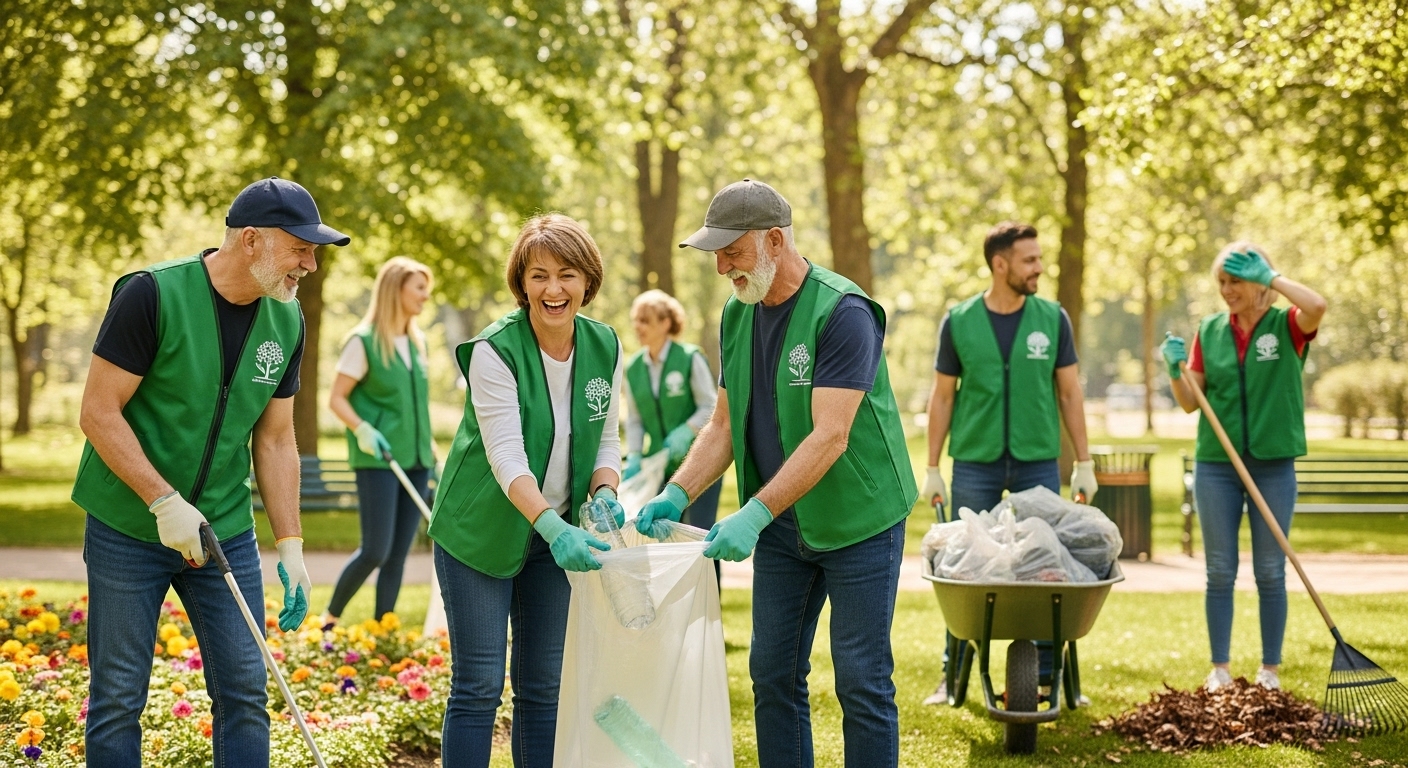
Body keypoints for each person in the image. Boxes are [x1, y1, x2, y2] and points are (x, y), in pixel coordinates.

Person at [636, 179, 918, 768]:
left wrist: (754, 513)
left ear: (774, 240)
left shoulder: (843, 313)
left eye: (731, 251)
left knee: (862, 679)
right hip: (782, 527)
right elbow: (720, 427)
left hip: (857, 521)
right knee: (772, 673)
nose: (720, 267)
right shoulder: (737, 317)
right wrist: (676, 492)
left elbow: (830, 435)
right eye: (715, 253)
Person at [72, 177, 348, 766]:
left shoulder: (287, 320)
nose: (310, 264)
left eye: (314, 251)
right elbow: (98, 413)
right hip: (129, 525)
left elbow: (275, 441)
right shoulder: (151, 295)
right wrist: (162, 501)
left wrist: (291, 544)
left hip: (223, 528)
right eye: (300, 247)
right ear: (251, 240)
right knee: (119, 696)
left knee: (247, 689)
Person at [427, 213, 626, 768]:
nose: (553, 289)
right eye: (538, 275)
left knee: (544, 689)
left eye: (566, 274)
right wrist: (554, 527)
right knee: (479, 686)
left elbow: (606, 435)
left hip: (554, 536)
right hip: (479, 535)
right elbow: (506, 455)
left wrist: (605, 488)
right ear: (521, 284)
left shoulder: (604, 346)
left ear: (588, 281)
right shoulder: (496, 350)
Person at [920, 221, 1097, 706]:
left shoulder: (1052, 318)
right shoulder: (958, 321)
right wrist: (933, 467)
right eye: (1029, 260)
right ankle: (952, 675)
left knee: (1046, 566)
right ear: (1001, 265)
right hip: (974, 462)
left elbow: (1069, 392)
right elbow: (941, 399)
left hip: (1037, 460)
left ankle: (1047, 674)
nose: (1039, 267)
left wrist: (1083, 461)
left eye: (1039, 259)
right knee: (963, 567)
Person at [1161, 243, 1326, 692]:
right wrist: (1177, 371)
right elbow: (1191, 404)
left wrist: (1272, 276)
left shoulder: (1286, 324)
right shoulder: (1210, 330)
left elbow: (1317, 305)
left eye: (1236, 280)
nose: (1227, 290)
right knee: (1219, 569)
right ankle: (1219, 669)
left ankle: (1269, 671)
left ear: (1257, 280)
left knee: (1271, 571)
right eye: (1222, 282)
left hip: (1273, 464)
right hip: (1218, 465)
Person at [323, 257, 437, 628]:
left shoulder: (417, 344)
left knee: (398, 554)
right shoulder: (364, 342)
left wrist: (430, 447)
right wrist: (362, 429)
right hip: (380, 459)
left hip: (417, 459)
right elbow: (336, 398)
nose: (426, 295)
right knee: (376, 549)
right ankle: (330, 618)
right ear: (396, 290)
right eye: (419, 287)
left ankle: (381, 628)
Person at [623, 289, 722, 531]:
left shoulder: (689, 358)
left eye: (645, 321)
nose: (638, 327)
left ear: (666, 323)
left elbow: (711, 405)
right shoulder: (633, 368)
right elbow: (635, 419)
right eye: (636, 320)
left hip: (700, 461)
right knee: (660, 535)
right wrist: (635, 454)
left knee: (700, 535)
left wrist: (687, 431)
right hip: (659, 467)